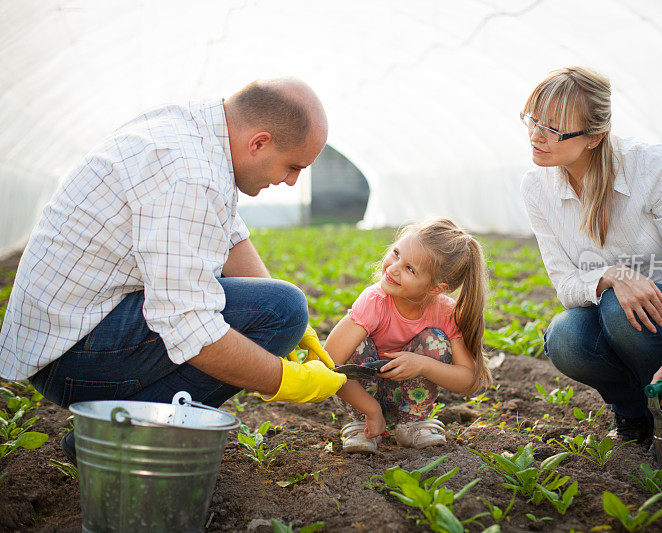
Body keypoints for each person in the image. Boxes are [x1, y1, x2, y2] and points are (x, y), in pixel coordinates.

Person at [0, 78, 347, 462]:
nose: (292, 180)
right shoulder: (189, 174)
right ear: (259, 142)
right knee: (280, 310)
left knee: (283, 310)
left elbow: (230, 234)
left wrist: (299, 331)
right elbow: (189, 327)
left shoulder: (195, 133)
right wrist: (286, 380)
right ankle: (115, 438)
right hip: (70, 355)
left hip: (67, 331)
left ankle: (123, 427)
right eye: (293, 166)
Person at [519, 67, 662, 450]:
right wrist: (613, 274)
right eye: (532, 120)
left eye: (553, 129)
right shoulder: (536, 187)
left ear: (594, 137)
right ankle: (632, 413)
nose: (535, 136)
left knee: (618, 308)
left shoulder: (649, 167)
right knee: (565, 337)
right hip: (625, 319)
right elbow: (565, 285)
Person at [324, 218, 491, 453]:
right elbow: (329, 363)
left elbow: (469, 380)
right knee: (356, 343)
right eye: (395, 253)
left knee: (435, 340)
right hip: (360, 395)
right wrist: (370, 409)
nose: (392, 268)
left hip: (409, 397)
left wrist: (423, 366)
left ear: (436, 288)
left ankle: (411, 424)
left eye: (410, 269)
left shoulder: (445, 312)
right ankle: (361, 423)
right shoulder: (374, 301)